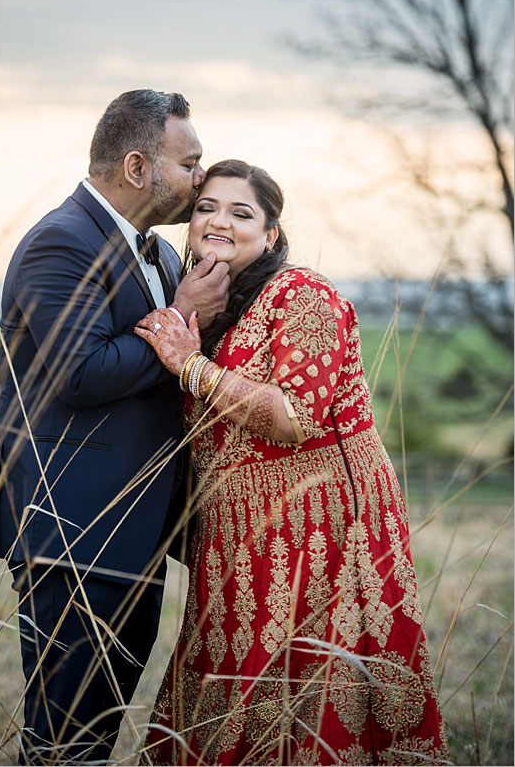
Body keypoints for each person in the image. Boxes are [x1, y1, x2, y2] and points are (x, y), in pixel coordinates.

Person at [135, 160, 449, 766]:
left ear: (271, 235)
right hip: (235, 528)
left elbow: (293, 415)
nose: (218, 220)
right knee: (231, 674)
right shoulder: (210, 303)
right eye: (206, 207)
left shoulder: (303, 294)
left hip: (322, 520)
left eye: (240, 212)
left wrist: (191, 367)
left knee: (312, 679)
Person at [0, 90, 230, 765]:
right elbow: (81, 373)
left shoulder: (160, 254)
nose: (199, 179)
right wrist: (181, 313)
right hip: (74, 537)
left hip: (136, 536)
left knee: (99, 734)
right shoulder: (60, 243)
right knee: (64, 742)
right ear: (137, 166)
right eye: (190, 163)